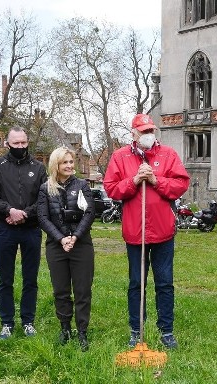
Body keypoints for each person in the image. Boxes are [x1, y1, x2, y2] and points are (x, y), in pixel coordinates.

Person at [103, 113, 190, 349]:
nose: (148, 135)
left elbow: (181, 184)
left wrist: (155, 180)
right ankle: (136, 329)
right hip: (135, 233)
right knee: (136, 283)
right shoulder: (120, 157)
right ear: (133, 133)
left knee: (164, 283)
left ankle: (166, 330)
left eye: (151, 130)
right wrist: (133, 181)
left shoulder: (168, 155)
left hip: (163, 232)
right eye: (143, 131)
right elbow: (111, 189)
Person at [0, 127, 48, 339]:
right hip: (5, 229)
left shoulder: (38, 168)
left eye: (23, 143)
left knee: (30, 278)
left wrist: (24, 215)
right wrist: (9, 211)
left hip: (31, 229)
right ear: (7, 144)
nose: (20, 147)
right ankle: (7, 322)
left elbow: (43, 199)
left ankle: (28, 321)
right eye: (16, 143)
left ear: (27, 142)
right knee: (6, 279)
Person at [38, 147, 96, 352]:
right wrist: (61, 239)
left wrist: (75, 237)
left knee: (82, 290)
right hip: (56, 246)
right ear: (56, 165)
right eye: (65, 162)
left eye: (71, 162)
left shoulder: (82, 185)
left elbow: (89, 212)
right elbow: (43, 217)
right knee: (61, 290)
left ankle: (82, 331)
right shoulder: (46, 188)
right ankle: (65, 328)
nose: (70, 166)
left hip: (81, 245)